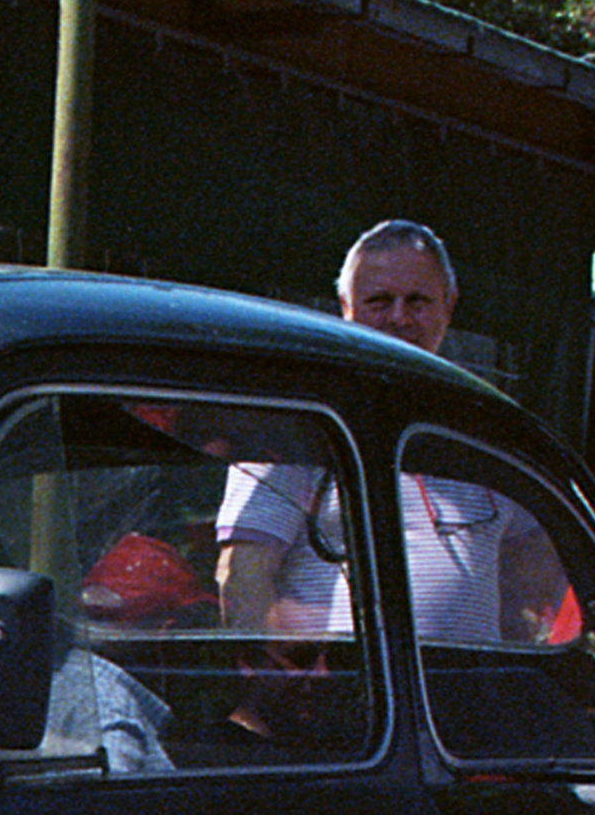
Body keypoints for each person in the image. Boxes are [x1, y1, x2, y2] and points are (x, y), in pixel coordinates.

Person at [214, 222, 563, 644]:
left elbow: (534, 564)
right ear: (346, 305)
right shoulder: (302, 424)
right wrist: (287, 682)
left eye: (417, 301)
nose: (399, 317)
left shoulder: (483, 428)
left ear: (448, 307)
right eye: (379, 301)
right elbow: (243, 577)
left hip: (469, 696)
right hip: (351, 697)